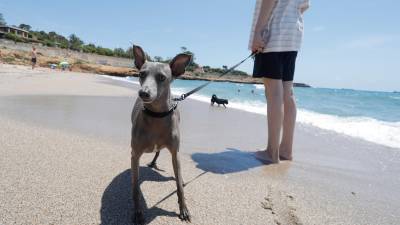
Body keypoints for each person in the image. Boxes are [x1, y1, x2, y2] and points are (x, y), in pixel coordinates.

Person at [249, 0, 310, 163]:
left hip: (273, 32)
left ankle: (272, 152)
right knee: (287, 91)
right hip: (293, 34)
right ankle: (286, 149)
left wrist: (258, 31)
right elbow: (304, 5)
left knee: (274, 91)